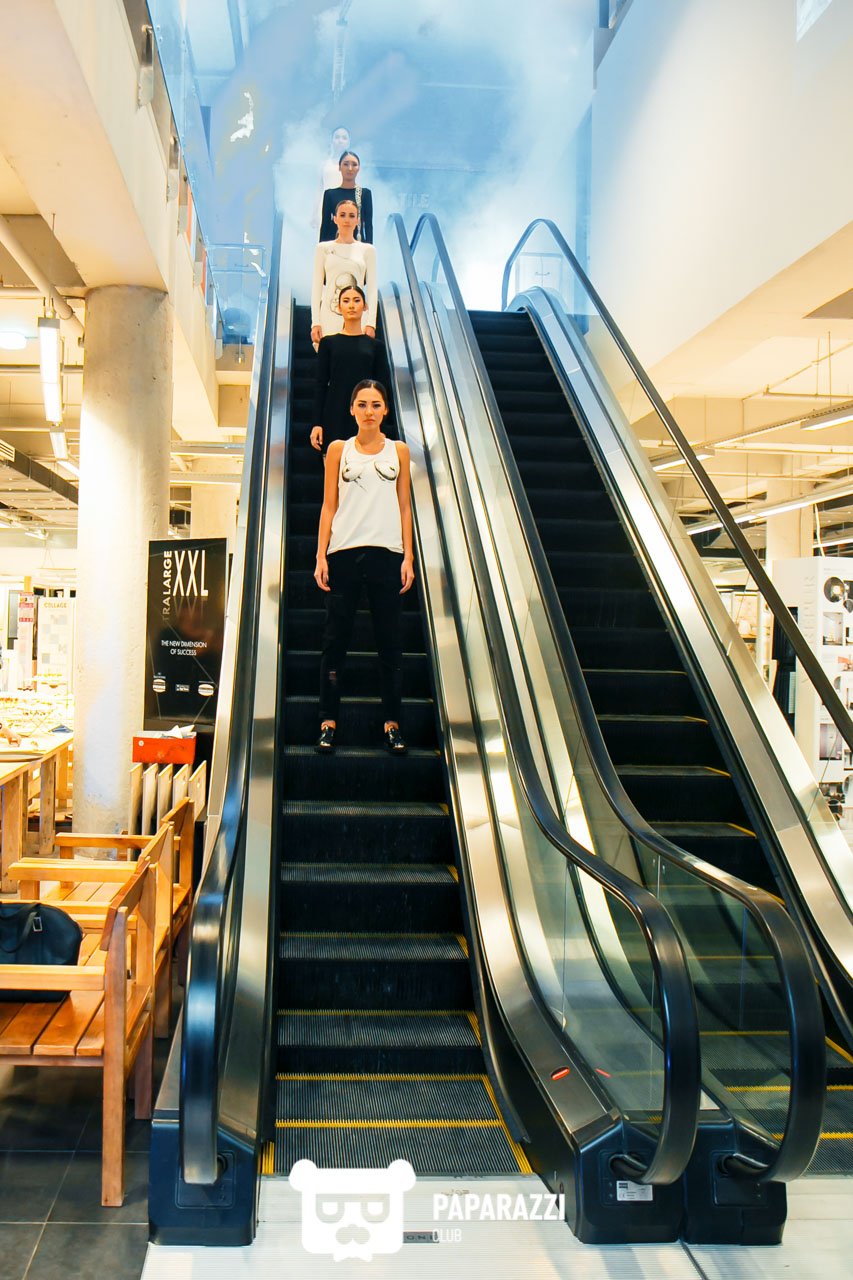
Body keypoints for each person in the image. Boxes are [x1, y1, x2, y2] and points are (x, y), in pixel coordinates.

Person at [314, 380, 414, 756]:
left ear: (385, 409)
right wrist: (320, 555)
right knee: (334, 642)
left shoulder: (398, 450)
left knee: (390, 643)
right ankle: (327, 722)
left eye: (375, 404)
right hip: (343, 553)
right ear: (351, 409)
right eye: (362, 404)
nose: (368, 411)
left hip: (387, 554)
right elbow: (328, 505)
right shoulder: (338, 450)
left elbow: (404, 506)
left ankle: (392, 724)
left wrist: (408, 556)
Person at [311, 285, 393, 452]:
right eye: (346, 301)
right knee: (334, 463)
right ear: (339, 307)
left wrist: (384, 425)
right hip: (334, 413)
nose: (351, 305)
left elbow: (384, 387)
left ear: (365, 306)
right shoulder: (328, 343)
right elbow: (320, 385)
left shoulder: (376, 346)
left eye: (356, 300)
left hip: (366, 416)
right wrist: (317, 423)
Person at [311, 199, 377, 348]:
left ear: (358, 220)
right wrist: (315, 323)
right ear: (335, 219)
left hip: (358, 318)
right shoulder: (322, 248)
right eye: (342, 215)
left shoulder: (368, 250)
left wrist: (371, 323)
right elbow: (317, 287)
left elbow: (372, 289)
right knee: (329, 358)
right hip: (328, 316)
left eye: (352, 216)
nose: (347, 220)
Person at [319, 151, 373, 244]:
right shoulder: (330, 194)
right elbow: (325, 225)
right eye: (346, 164)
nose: (350, 168)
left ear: (359, 168)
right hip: (334, 244)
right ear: (339, 167)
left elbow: (368, 225)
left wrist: (369, 248)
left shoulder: (365, 194)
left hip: (357, 244)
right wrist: (321, 249)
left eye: (354, 165)